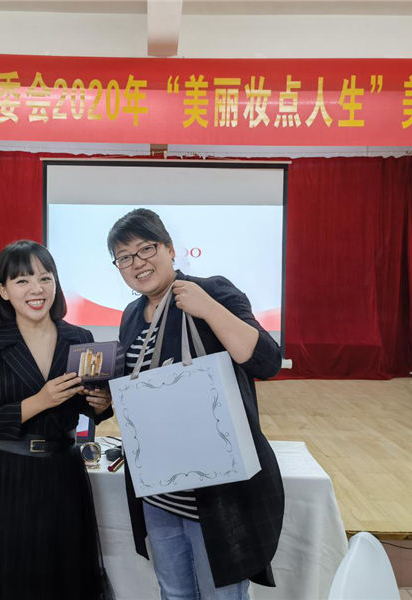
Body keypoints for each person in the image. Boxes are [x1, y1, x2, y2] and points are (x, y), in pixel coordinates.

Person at [107, 209, 285, 600]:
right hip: (158, 490)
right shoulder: (132, 315)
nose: (137, 263)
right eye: (124, 257)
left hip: (217, 489)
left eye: (146, 249)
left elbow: (267, 361)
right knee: (173, 591)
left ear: (170, 249)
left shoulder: (212, 291)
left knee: (222, 594)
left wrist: (208, 308)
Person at [0, 240, 114, 600]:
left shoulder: (80, 338)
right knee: (5, 576)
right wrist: (38, 401)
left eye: (45, 278)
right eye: (22, 281)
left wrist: (100, 406)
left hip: (63, 472)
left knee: (62, 574)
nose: (36, 289)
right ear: (3, 291)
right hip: (4, 473)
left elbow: (86, 415)